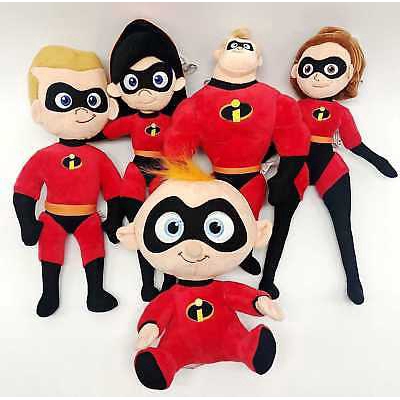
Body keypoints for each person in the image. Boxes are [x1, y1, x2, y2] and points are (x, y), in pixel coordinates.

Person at [117, 161, 283, 390]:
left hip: (227, 339)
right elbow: (158, 311)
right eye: (172, 228)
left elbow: (240, 296)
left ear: (258, 233)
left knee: (238, 342)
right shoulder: (174, 295)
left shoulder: (220, 290)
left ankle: (248, 349)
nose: (194, 250)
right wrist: (150, 328)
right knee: (170, 353)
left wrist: (260, 301)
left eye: (216, 228)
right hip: (181, 346)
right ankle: (166, 363)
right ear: (133, 236)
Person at [261, 27, 397, 304]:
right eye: (310, 68)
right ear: (297, 71)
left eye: (330, 69)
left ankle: (354, 280)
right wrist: (263, 160)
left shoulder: (341, 112)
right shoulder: (293, 107)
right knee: (281, 224)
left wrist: (379, 161)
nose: (318, 76)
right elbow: (280, 138)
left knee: (343, 226)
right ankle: (267, 279)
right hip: (296, 163)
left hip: (328, 166)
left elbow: (354, 144)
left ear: (348, 75)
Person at [163, 27, 310, 277]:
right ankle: (207, 261)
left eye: (247, 48)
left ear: (258, 60)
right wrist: (187, 181)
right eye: (234, 46)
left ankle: (244, 254)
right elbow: (177, 147)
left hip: (252, 176)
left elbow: (295, 140)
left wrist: (284, 179)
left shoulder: (274, 99)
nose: (240, 51)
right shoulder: (198, 102)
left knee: (248, 219)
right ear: (218, 54)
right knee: (214, 218)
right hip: (218, 178)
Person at [14, 46, 122, 316]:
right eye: (66, 100)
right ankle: (49, 293)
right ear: (39, 110)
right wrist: (27, 224)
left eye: (92, 100)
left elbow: (114, 191)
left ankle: (96, 293)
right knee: (49, 253)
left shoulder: (99, 158)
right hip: (53, 216)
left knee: (94, 252)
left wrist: (113, 220)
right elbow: (24, 190)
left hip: (88, 216)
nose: (81, 109)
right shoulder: (44, 157)